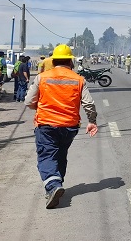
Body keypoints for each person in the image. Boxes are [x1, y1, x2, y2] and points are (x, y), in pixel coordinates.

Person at [26, 44, 98, 210]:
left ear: (53, 61)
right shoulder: (79, 79)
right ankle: (57, 181)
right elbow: (89, 103)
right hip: (70, 127)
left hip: (46, 124)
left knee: (46, 156)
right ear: (71, 62)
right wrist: (92, 121)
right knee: (60, 154)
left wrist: (40, 107)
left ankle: (53, 186)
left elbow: (28, 101)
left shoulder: (42, 77)